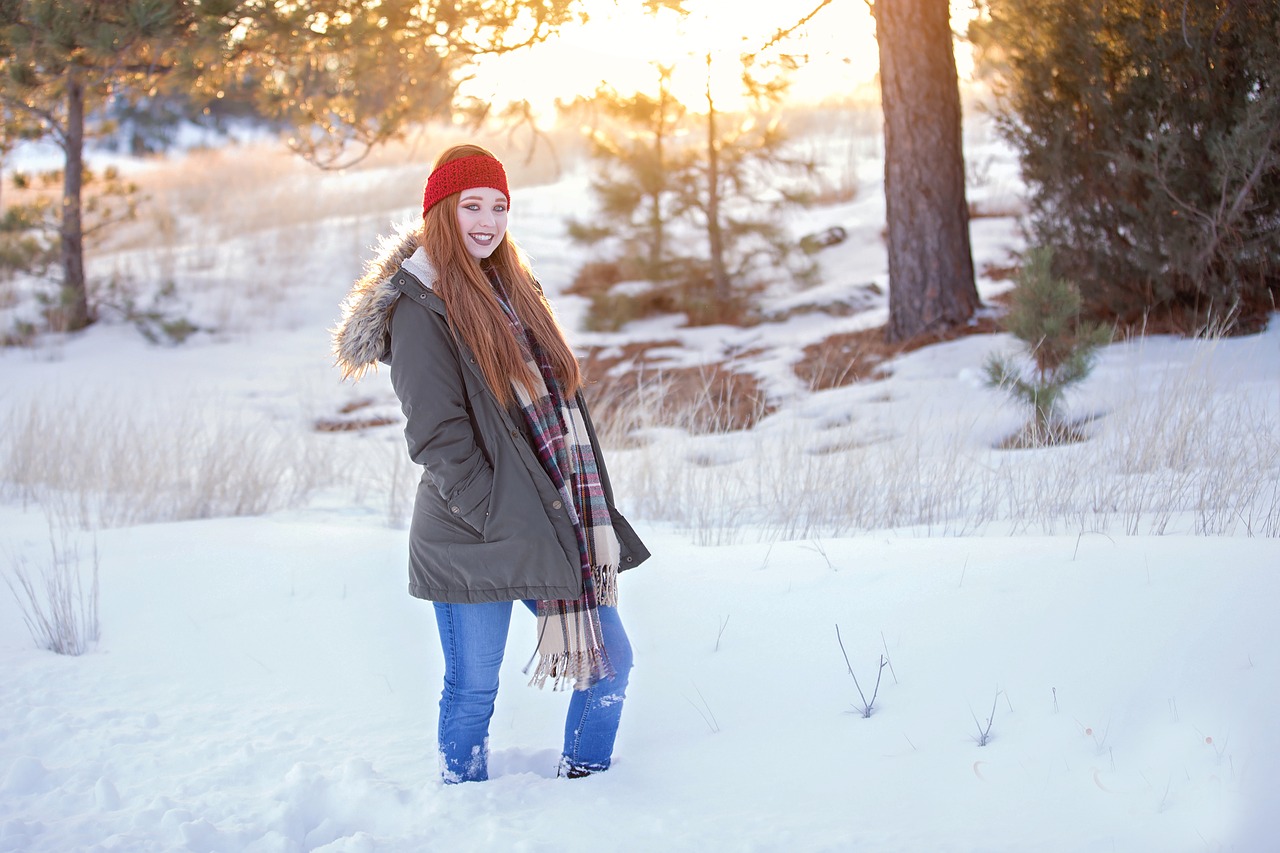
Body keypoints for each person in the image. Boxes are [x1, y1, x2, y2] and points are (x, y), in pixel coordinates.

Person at [331, 144, 649, 783]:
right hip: (470, 532)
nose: (487, 219)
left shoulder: (516, 290)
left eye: (499, 206)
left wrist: (546, 512)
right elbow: (438, 438)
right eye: (471, 205)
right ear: (439, 212)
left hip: (548, 517)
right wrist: (497, 513)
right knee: (474, 687)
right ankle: (463, 800)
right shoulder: (420, 308)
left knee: (609, 659)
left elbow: (560, 411)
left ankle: (588, 788)